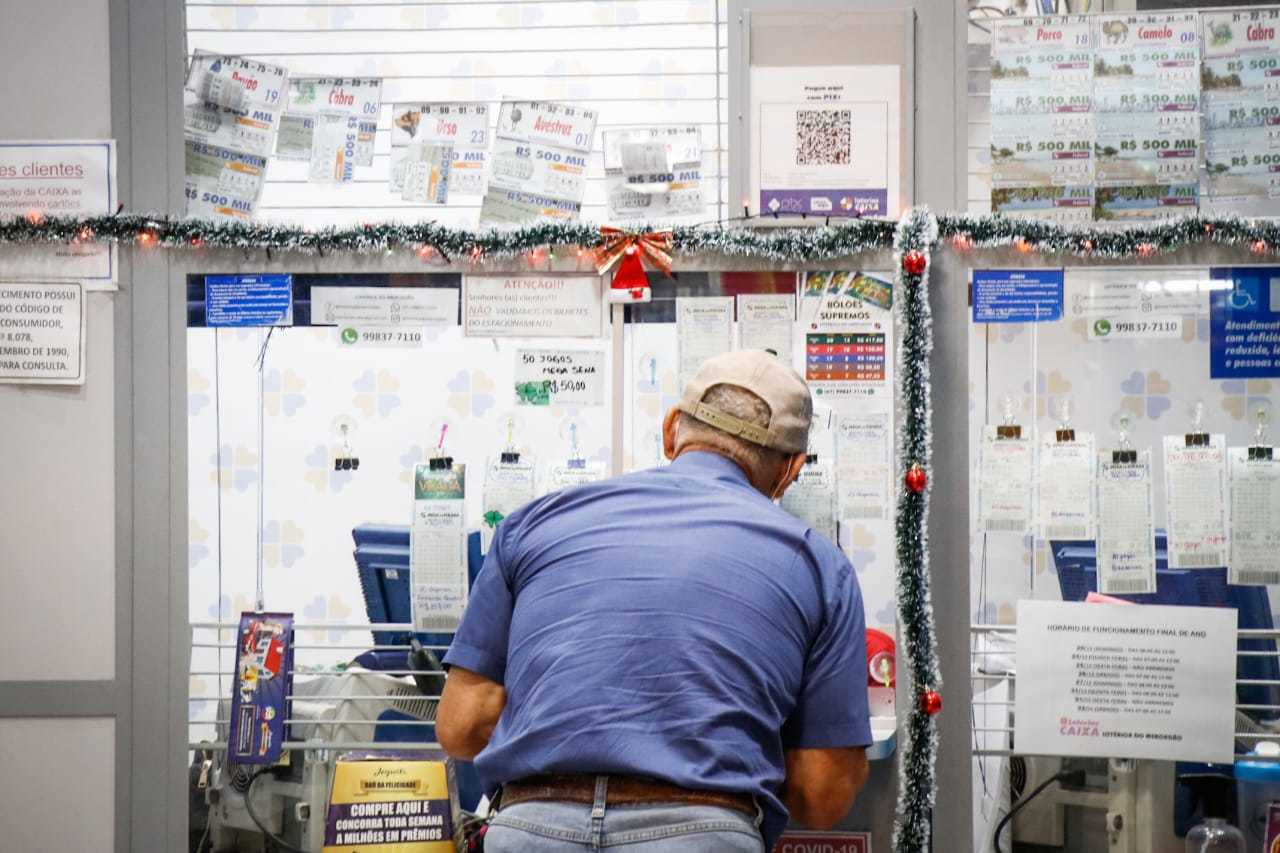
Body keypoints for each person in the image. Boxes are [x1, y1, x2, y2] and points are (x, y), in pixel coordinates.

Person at [437, 349, 872, 852]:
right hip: (702, 833)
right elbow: (821, 796)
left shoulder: (534, 522)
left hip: (532, 827)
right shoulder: (819, 564)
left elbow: (462, 727)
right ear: (791, 470)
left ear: (671, 431)